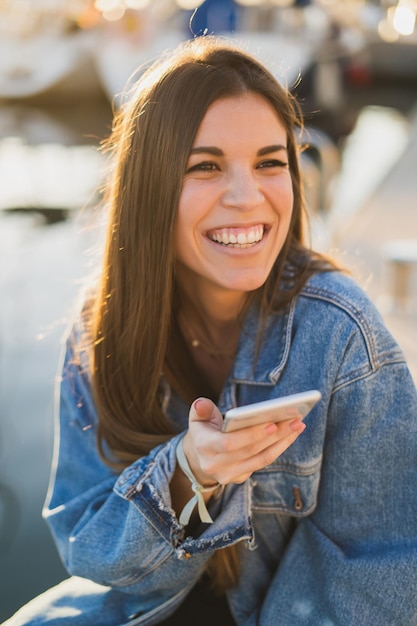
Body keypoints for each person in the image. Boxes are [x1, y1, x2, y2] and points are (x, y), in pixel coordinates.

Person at [6, 36, 417, 626]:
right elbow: (89, 547)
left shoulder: (341, 336)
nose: (248, 198)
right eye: (206, 166)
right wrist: (188, 476)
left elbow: (384, 570)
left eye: (270, 163)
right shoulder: (103, 325)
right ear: (150, 187)